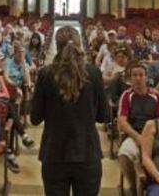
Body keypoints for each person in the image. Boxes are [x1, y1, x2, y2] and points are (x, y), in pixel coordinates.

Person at [31, 26, 106, 196]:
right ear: (79, 45)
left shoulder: (45, 74)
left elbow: (35, 118)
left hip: (54, 154)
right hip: (87, 152)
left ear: (56, 47)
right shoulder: (94, 73)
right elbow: (104, 116)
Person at [118, 62, 159, 196]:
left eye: (141, 75)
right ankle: (133, 187)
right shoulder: (127, 95)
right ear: (130, 78)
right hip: (134, 134)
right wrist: (137, 137)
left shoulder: (156, 96)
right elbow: (122, 122)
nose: (138, 78)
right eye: (135, 75)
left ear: (146, 77)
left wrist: (150, 137)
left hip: (154, 135)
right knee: (124, 153)